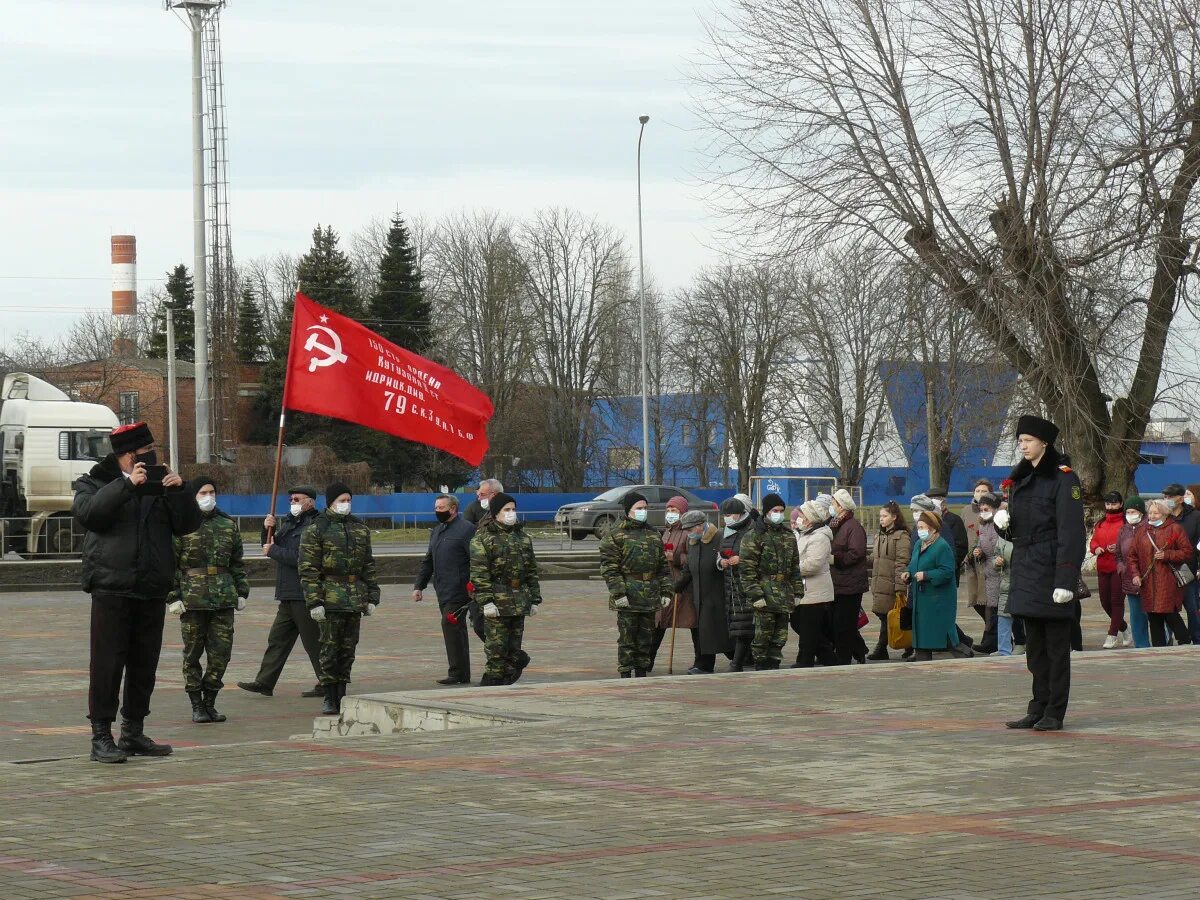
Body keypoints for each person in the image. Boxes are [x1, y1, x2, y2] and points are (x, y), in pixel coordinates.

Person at [72, 421, 202, 764]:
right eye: (146, 453)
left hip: (152, 586)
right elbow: (89, 515)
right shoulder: (94, 482)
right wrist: (127, 485)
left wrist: (179, 490)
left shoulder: (161, 484)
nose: (153, 458)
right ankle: (101, 735)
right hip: (111, 587)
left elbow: (188, 525)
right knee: (107, 664)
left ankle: (133, 732)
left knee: (145, 664)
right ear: (127, 456)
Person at [1004, 415, 1085, 733]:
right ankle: (1037, 707)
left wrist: (1066, 579)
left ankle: (1055, 710)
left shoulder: (1064, 479)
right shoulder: (1022, 479)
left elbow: (1071, 532)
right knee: (1034, 649)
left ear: (1044, 443)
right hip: (1026, 570)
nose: (1022, 445)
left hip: (1052, 572)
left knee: (1055, 649)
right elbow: (1024, 530)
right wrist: (1005, 526)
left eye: (1027, 440)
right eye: (1020, 440)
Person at [167, 475, 248, 724]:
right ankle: (196, 704)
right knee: (192, 654)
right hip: (192, 599)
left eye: (212, 492)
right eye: (203, 493)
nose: (208, 496)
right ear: (193, 496)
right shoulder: (181, 524)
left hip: (223, 598)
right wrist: (173, 597)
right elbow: (170, 564)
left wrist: (241, 591)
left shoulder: (227, 524)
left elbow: (236, 562)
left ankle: (210, 701)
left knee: (221, 654)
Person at [300, 482, 380, 715]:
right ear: (331, 502)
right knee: (329, 649)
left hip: (354, 599)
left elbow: (368, 565)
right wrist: (315, 601)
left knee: (348, 649)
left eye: (348, 499)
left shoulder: (359, 529)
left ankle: (341, 692)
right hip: (329, 599)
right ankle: (328, 695)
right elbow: (308, 569)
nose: (346, 504)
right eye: (341, 500)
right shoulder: (317, 529)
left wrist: (373, 596)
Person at [239, 485, 325, 699]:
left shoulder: (315, 526)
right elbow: (269, 546)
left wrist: (274, 550)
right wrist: (266, 529)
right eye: (291, 500)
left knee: (314, 642)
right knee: (277, 640)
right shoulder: (289, 523)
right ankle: (265, 682)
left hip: (305, 593)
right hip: (287, 593)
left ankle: (328, 681)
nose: (293, 503)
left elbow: (302, 558)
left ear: (310, 502)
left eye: (297, 499)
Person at [469, 492, 542, 685]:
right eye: (506, 510)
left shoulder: (523, 538)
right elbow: (479, 573)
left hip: (518, 601)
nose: (511, 513)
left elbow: (531, 571)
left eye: (513, 509)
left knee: (514, 649)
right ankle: (492, 685)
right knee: (496, 649)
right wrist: (487, 602)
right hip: (497, 602)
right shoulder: (483, 539)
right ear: (495, 513)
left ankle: (506, 683)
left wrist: (535, 599)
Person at [598, 490, 668, 677]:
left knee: (646, 638)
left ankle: (642, 671)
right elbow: (610, 568)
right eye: (639, 508)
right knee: (628, 639)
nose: (643, 511)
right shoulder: (616, 534)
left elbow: (662, 567)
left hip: (650, 595)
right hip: (628, 595)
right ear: (629, 510)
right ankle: (626, 673)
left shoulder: (653, 534)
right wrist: (619, 593)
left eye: (645, 508)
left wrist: (666, 592)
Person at [413, 494, 477, 686]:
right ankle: (462, 673)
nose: (437, 511)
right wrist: (419, 585)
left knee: (450, 625)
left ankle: (457, 672)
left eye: (441, 507)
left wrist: (473, 584)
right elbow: (428, 560)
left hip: (460, 589)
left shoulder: (467, 530)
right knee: (455, 630)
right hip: (442, 588)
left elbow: (475, 560)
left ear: (453, 509)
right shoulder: (437, 531)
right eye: (436, 507)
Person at [740, 493, 804, 670]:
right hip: (764, 593)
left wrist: (798, 592)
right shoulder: (754, 536)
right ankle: (761, 663)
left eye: (781, 510)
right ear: (766, 512)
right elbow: (746, 569)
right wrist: (755, 595)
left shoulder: (788, 535)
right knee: (763, 634)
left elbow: (794, 567)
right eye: (775, 510)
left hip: (783, 594)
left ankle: (774, 662)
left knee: (781, 635)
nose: (779, 514)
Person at [901, 512, 973, 661]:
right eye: (918, 527)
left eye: (922, 527)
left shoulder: (942, 546)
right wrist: (908, 572)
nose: (919, 530)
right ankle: (922, 656)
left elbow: (947, 571)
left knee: (942, 632)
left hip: (937, 598)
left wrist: (926, 575)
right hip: (921, 598)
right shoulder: (918, 545)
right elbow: (914, 564)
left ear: (933, 529)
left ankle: (964, 652)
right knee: (923, 631)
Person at [1128, 498, 1193, 647]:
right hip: (1147, 581)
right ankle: (1159, 648)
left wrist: (1167, 555)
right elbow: (1132, 555)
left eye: (1156, 513)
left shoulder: (1175, 529)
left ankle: (1184, 640)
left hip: (1168, 579)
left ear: (1164, 514)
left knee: (1168, 612)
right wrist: (1135, 574)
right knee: (1153, 616)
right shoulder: (1142, 530)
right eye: (1150, 513)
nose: (1151, 516)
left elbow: (1187, 552)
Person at [673, 509, 730, 673]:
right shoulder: (692, 543)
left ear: (700, 526)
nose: (688, 534)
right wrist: (677, 586)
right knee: (703, 632)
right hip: (699, 595)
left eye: (690, 530)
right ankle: (703, 663)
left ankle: (739, 657)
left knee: (716, 632)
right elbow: (688, 569)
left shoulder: (719, 538)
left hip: (717, 593)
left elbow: (725, 562)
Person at [649, 495, 699, 672]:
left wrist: (676, 558)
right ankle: (647, 660)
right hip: (666, 584)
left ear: (682, 512)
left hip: (684, 585)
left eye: (675, 511)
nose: (670, 514)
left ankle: (701, 660)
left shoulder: (688, 532)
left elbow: (694, 558)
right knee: (659, 622)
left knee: (693, 622)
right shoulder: (666, 531)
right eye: (668, 510)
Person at [791, 501, 838, 668]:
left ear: (810, 519)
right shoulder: (802, 534)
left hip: (815, 590)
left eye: (802, 516)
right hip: (803, 589)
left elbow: (813, 564)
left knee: (808, 628)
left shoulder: (820, 537)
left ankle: (805, 660)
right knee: (800, 624)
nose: (799, 519)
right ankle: (828, 656)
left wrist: (791, 568)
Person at [828, 488, 869, 664]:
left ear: (841, 506)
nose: (831, 506)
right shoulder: (836, 524)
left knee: (845, 623)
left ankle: (844, 657)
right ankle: (858, 649)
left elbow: (856, 552)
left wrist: (835, 559)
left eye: (833, 503)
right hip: (839, 582)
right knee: (839, 622)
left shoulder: (852, 527)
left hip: (851, 583)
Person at [717, 497, 757, 671]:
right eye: (724, 515)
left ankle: (737, 663)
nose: (727, 518)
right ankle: (743, 658)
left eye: (730, 514)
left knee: (744, 625)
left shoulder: (752, 530)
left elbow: (760, 555)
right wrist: (721, 563)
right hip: (730, 585)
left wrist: (741, 559)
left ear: (740, 514)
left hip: (747, 584)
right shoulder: (727, 531)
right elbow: (718, 554)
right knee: (735, 625)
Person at [869, 501, 911, 660]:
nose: (881, 519)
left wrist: (900, 586)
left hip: (892, 585)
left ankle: (882, 648)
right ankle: (908, 644)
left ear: (894, 517)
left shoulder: (901, 536)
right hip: (880, 584)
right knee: (886, 616)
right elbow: (875, 559)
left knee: (890, 616)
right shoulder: (880, 535)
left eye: (884, 516)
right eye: (880, 516)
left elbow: (902, 562)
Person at [1090, 491, 1131, 648]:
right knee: (1104, 602)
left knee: (1116, 601)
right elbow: (1093, 541)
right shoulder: (1100, 523)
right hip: (1103, 566)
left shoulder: (1126, 524)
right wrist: (1096, 548)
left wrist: (1119, 548)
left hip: (1119, 567)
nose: (1111, 506)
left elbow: (1131, 543)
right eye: (1108, 504)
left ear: (1121, 504)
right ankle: (1124, 628)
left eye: (1114, 503)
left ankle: (1112, 634)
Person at [964, 493, 1002, 654]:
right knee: (993, 609)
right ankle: (994, 641)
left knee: (999, 610)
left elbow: (1002, 548)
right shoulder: (983, 526)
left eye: (986, 509)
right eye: (981, 509)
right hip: (988, 571)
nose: (983, 512)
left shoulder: (1000, 525)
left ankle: (1004, 641)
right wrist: (978, 552)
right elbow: (980, 545)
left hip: (999, 572)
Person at [1165, 483, 1200, 643]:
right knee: (1167, 608)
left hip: (1188, 569)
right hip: (1167, 569)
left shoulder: (1195, 516)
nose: (1167, 500)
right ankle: (1170, 639)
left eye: (1170, 497)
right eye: (1165, 497)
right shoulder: (1164, 517)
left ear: (1180, 498)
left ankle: (1196, 638)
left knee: (1192, 608)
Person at [1115, 496, 1151, 648]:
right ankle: (1141, 646)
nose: (1130, 515)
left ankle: (1162, 643)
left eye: (1134, 511)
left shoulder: (1149, 527)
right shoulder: (1124, 529)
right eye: (1128, 512)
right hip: (1129, 579)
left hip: (1148, 578)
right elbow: (1118, 554)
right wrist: (1121, 567)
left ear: (1141, 512)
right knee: (1136, 616)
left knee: (1154, 615)